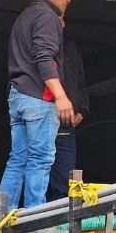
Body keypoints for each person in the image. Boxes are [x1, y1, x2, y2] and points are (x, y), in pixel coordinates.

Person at [0, 0, 74, 210]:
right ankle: (35, 221)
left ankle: (3, 217)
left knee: (18, 159)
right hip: (38, 99)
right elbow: (43, 57)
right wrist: (61, 96)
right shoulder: (46, 16)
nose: (68, 0)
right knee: (41, 159)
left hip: (18, 96)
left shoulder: (25, 17)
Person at [46, 18, 90, 202]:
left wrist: (83, 109)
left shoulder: (71, 48)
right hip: (43, 119)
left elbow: (81, 81)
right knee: (38, 172)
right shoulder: (40, 47)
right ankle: (35, 219)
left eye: (62, 19)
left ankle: (60, 223)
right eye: (57, 18)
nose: (61, 21)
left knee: (66, 178)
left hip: (67, 125)